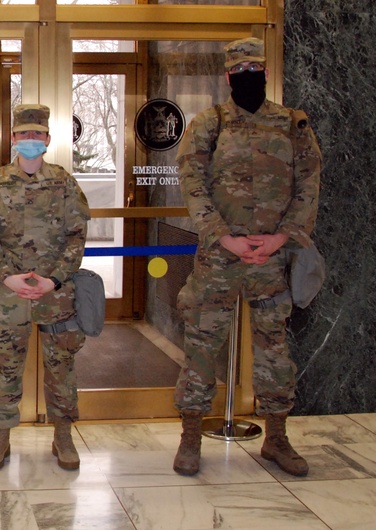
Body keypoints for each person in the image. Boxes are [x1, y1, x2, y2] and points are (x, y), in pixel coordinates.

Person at [172, 37, 322, 477]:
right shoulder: (209, 122)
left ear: (266, 73)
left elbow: (309, 184)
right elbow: (192, 182)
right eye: (239, 72)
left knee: (274, 348)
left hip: (273, 259)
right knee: (201, 346)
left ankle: (276, 437)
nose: (247, 78)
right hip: (220, 258)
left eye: (254, 70)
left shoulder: (292, 124)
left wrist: (282, 237)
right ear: (227, 77)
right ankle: (190, 436)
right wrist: (223, 236)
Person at [0, 104, 91, 471]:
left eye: (37, 134)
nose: (31, 140)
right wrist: (6, 274)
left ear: (48, 139)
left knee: (61, 366)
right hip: (9, 293)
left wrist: (54, 278)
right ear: (13, 139)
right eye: (24, 134)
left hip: (56, 293)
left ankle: (63, 435)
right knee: (7, 366)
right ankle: (1, 435)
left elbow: (77, 235)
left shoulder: (64, 182)